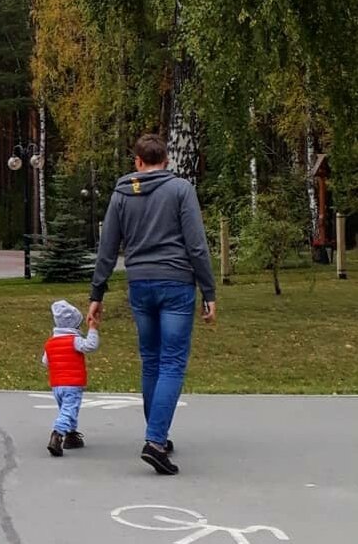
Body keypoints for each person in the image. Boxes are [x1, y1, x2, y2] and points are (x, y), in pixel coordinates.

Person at [89, 133, 217, 476]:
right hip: (176, 283)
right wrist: (209, 290)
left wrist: (96, 294)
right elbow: (197, 246)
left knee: (151, 360)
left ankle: (156, 433)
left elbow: (107, 248)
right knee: (173, 361)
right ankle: (156, 440)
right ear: (167, 160)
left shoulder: (120, 194)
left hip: (140, 284)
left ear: (137, 161)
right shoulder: (180, 190)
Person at [42, 299, 99, 457]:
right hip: (72, 383)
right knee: (69, 410)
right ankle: (57, 434)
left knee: (66, 409)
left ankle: (71, 435)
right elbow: (91, 345)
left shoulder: (50, 343)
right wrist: (93, 329)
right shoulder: (74, 340)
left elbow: (45, 361)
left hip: (57, 384)